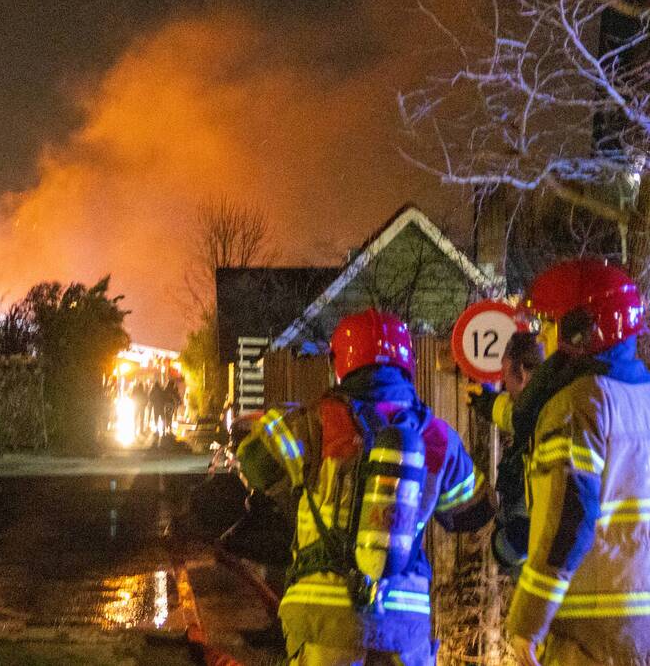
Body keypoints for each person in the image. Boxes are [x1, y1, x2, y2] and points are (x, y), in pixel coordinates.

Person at [237, 309, 494, 665]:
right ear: (408, 364)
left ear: (338, 363)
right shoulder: (436, 436)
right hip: (404, 626)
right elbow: (473, 513)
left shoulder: (312, 422)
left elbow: (253, 462)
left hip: (325, 622)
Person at [505, 259, 650, 666]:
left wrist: (528, 619)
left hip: (589, 630)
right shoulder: (641, 398)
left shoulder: (578, 403)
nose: (544, 340)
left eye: (549, 326)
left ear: (579, 330)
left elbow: (568, 519)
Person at [468, 332, 544, 575]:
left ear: (521, 372)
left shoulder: (542, 420)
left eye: (505, 378)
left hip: (537, 575)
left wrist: (504, 547)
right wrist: (487, 402)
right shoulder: (547, 407)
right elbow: (516, 416)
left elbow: (528, 524)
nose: (504, 388)